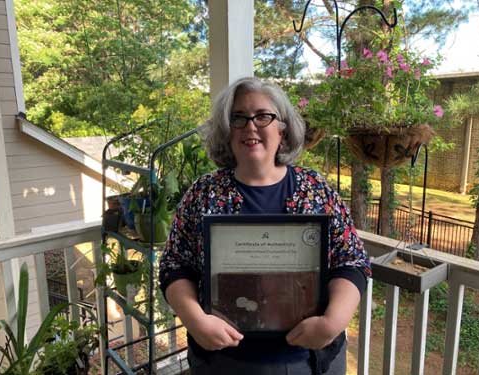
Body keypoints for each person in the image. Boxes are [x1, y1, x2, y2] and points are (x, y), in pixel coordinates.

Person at [159, 77, 371, 375]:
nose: (250, 126)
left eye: (263, 116)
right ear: (226, 131)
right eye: (239, 118)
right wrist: (195, 320)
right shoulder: (203, 193)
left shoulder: (316, 188)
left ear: (282, 130)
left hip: (308, 360)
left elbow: (351, 260)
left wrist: (333, 322)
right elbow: (175, 264)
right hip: (224, 361)